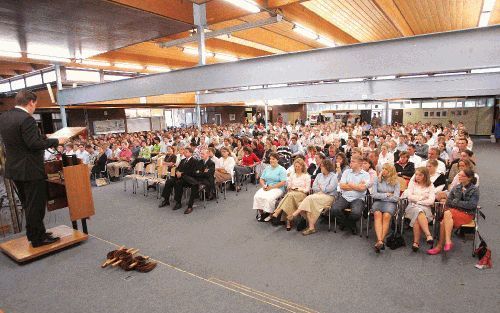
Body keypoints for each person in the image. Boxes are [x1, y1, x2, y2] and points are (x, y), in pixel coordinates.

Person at [0, 90, 67, 247]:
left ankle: (36, 232)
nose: (35, 107)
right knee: (36, 205)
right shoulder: (27, 119)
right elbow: (33, 145)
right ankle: (38, 239)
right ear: (31, 102)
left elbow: (21, 139)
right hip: (30, 170)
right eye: (35, 104)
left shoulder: (5, 117)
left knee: (27, 204)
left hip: (15, 169)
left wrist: (45, 136)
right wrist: (56, 141)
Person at [428, 169, 479, 255]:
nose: (460, 177)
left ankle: (440, 246)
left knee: (445, 217)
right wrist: (459, 204)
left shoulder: (474, 190)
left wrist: (456, 203)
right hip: (453, 212)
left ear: (469, 178)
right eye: (459, 175)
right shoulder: (457, 187)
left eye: (462, 176)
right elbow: (448, 202)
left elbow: (471, 205)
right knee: (444, 219)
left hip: (467, 214)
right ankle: (447, 242)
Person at [288, 159, 338, 235]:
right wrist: (322, 188)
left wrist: (322, 188)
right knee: (308, 203)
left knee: (309, 198)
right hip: (318, 195)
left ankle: (295, 214)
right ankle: (311, 228)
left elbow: (330, 189)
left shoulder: (334, 176)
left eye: (322, 166)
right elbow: (314, 187)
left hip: (329, 197)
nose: (320, 168)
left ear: (327, 167)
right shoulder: (319, 175)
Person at [331, 155, 370, 234]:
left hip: (358, 198)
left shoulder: (366, 174)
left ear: (360, 164)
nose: (350, 163)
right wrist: (357, 186)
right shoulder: (346, 172)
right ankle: (350, 224)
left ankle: (346, 224)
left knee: (356, 213)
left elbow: (362, 188)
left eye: (353, 161)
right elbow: (342, 186)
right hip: (345, 197)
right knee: (334, 209)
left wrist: (350, 185)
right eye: (350, 161)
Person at [270, 158, 311, 227]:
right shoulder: (292, 175)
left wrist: (299, 189)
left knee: (289, 195)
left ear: (302, 167)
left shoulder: (306, 176)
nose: (297, 168)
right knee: (289, 196)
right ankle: (288, 221)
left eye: (298, 166)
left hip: (302, 194)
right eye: (296, 166)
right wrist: (289, 187)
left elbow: (307, 189)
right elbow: (289, 185)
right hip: (292, 193)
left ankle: (278, 212)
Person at [159, 147, 200, 214]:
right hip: (180, 177)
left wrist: (182, 173)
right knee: (169, 181)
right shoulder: (183, 160)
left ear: (191, 153)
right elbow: (177, 168)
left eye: (186, 152)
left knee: (178, 183)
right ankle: (166, 200)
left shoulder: (195, 161)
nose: (184, 152)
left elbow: (193, 172)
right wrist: (178, 172)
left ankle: (178, 202)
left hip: (188, 179)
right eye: (184, 151)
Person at [403, 167, 435, 252]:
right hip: (411, 207)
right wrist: (422, 198)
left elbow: (431, 201)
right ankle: (428, 235)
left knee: (417, 215)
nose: (417, 176)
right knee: (418, 211)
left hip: (424, 208)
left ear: (425, 176)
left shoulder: (430, 185)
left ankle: (416, 242)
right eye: (416, 174)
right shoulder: (412, 183)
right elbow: (409, 197)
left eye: (420, 175)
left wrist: (418, 201)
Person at [371, 164, 400, 252]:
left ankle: (380, 241)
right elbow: (374, 195)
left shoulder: (396, 181)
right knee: (377, 214)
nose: (382, 170)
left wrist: (381, 196)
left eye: (385, 169)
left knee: (387, 216)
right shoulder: (377, 179)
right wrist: (387, 194)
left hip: (390, 203)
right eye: (382, 168)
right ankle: (380, 240)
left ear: (390, 171)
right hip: (378, 202)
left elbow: (395, 198)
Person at [253, 153, 287, 222]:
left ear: (277, 160)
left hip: (278, 188)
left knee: (269, 198)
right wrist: (263, 186)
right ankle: (262, 213)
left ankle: (271, 215)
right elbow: (261, 179)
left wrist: (271, 187)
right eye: (270, 159)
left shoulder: (282, 169)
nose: (271, 160)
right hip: (267, 187)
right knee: (257, 196)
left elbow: (283, 182)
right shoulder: (267, 168)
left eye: (273, 159)